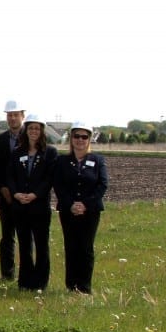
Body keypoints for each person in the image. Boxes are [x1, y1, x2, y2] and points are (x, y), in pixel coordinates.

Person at [52, 121, 109, 294]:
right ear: (71, 139)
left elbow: (102, 184)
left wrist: (85, 204)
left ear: (89, 139)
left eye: (84, 136)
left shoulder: (97, 160)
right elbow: (58, 184)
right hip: (68, 211)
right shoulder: (62, 161)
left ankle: (84, 287)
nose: (80, 140)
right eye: (76, 136)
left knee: (86, 248)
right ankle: (71, 285)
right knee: (71, 247)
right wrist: (71, 204)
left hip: (90, 212)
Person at [6, 113, 58, 291]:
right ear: (25, 130)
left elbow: (50, 178)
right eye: (30, 128)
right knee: (24, 245)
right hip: (20, 207)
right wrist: (16, 194)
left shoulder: (50, 152)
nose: (33, 131)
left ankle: (40, 282)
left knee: (42, 246)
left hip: (39, 207)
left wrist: (35, 194)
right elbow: (10, 177)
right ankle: (25, 282)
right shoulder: (17, 152)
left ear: (42, 131)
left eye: (37, 128)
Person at [0, 100, 26, 281]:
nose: (12, 118)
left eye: (15, 115)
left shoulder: (31, 137)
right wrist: (2, 189)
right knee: (7, 237)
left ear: (22, 115)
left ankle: (26, 272)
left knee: (25, 237)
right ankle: (7, 274)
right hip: (6, 197)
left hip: (26, 196)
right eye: (9, 115)